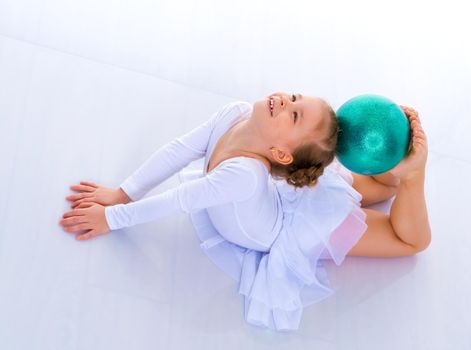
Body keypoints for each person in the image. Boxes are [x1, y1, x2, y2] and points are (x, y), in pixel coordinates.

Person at [59, 92, 431, 331]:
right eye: (294, 98)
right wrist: (123, 193)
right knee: (382, 186)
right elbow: (179, 150)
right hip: (285, 194)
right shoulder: (235, 113)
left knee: (407, 240)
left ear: (283, 156)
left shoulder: (243, 176)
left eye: (295, 115)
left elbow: (179, 200)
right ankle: (393, 168)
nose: (284, 102)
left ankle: (411, 171)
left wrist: (111, 218)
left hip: (295, 228)